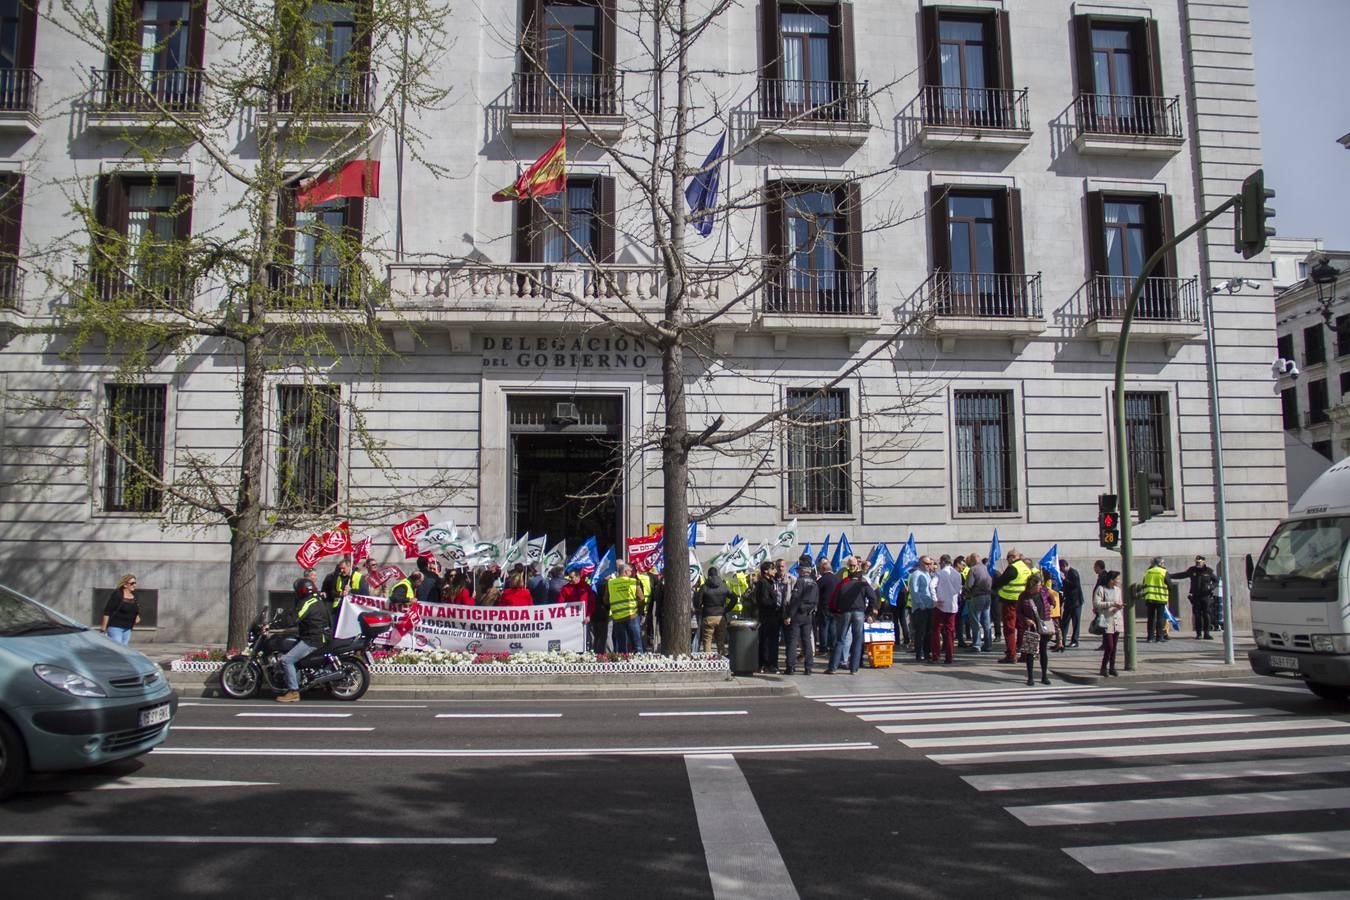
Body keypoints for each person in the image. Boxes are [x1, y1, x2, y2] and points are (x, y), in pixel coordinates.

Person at [271, 575, 334, 703]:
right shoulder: (316, 600)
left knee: (286, 661)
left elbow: (294, 618)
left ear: (301, 591)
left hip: (313, 638)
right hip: (318, 635)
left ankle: (293, 692)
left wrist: (274, 624)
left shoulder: (308, 603)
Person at [828, 562, 880, 674]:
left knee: (840, 639)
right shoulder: (863, 584)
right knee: (857, 640)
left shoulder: (843, 583)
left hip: (845, 612)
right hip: (859, 612)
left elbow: (835, 599)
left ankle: (833, 667)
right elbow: (873, 598)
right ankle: (854, 668)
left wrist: (837, 610)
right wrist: (868, 612)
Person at [993, 549, 1033, 663]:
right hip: (1023, 602)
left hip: (1010, 601)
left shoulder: (1013, 568)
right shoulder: (1026, 568)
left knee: (1009, 629)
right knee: (1022, 628)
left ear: (1012, 557)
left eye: (1008, 558)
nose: (1007, 560)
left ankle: (1011, 655)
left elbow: (1000, 582)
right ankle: (1023, 653)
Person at [783, 555, 819, 675]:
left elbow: (795, 600)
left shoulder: (800, 582)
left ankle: (791, 666)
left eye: (799, 570)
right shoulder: (814, 583)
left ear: (803, 571)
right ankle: (808, 668)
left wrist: (789, 615)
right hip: (808, 615)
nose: (797, 572)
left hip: (797, 614)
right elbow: (816, 600)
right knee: (807, 641)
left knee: (793, 642)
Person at [1169, 555, 1217, 639]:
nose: (1197, 563)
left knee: (1206, 615)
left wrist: (1212, 587)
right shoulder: (1192, 570)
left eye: (1199, 562)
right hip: (1196, 596)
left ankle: (1207, 633)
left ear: (1203, 562)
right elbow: (1182, 575)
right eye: (1196, 562)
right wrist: (1170, 576)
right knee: (1197, 615)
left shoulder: (1208, 571)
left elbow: (1216, 580)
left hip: (1206, 596)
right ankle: (1198, 634)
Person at [1017, 573, 1052, 686]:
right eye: (1038, 585)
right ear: (1031, 586)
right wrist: (1026, 619)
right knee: (1030, 652)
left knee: (1043, 651)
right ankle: (1030, 677)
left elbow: (1053, 601)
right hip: (1031, 627)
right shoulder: (1024, 596)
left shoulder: (1044, 592)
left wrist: (1050, 607)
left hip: (1044, 625)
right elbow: (1018, 612)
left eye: (1041, 585)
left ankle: (1044, 676)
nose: (1040, 587)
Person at [1093, 570, 1125, 677]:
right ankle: (1103, 667)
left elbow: (1119, 602)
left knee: (1114, 646)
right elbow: (1097, 603)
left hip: (1116, 619)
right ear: (1111, 580)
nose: (1118, 581)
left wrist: (1120, 606)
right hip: (1106, 620)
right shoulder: (1101, 589)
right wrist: (1111, 604)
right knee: (1109, 645)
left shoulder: (1117, 590)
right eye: (1117, 579)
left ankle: (1112, 667)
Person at [607, 563, 644, 653]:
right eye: (630, 571)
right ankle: (640, 664)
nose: (631, 573)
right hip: (632, 616)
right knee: (637, 645)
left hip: (618, 618)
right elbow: (641, 598)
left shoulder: (610, 583)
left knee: (621, 647)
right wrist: (641, 612)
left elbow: (606, 599)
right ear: (626, 572)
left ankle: (622, 663)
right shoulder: (633, 582)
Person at [695, 566, 732, 655]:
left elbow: (698, 603)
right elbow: (733, 598)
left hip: (708, 615)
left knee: (707, 640)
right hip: (720, 616)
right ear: (717, 574)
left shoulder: (704, 587)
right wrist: (726, 609)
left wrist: (700, 609)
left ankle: (708, 660)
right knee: (720, 640)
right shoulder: (724, 586)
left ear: (708, 575)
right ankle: (721, 659)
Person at [754, 561, 783, 673]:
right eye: (773, 568)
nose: (775, 571)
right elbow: (764, 601)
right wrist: (775, 603)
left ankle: (768, 663)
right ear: (766, 571)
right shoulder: (763, 583)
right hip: (767, 617)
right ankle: (767, 664)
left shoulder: (771, 582)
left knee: (771, 642)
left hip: (772, 617)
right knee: (767, 642)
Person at [560, 570, 600, 651]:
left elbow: (591, 603)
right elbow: (560, 604)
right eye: (569, 577)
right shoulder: (565, 588)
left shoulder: (586, 587)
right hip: (571, 620)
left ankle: (588, 652)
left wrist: (588, 616)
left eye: (572, 577)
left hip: (585, 619)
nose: (570, 579)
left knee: (587, 638)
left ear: (578, 577)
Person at [932, 554, 962, 664]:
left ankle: (936, 655)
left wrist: (935, 599)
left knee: (936, 630)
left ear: (943, 562)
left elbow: (931, 585)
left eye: (940, 562)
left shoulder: (939, 573)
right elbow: (959, 590)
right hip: (952, 605)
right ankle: (949, 656)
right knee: (950, 631)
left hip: (940, 605)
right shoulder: (957, 574)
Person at [908, 556, 937, 663]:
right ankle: (919, 654)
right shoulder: (916, 574)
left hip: (929, 606)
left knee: (929, 632)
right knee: (921, 632)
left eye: (930, 564)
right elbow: (914, 591)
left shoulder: (928, 575)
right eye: (926, 563)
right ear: (920, 563)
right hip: (921, 608)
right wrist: (920, 604)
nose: (929, 566)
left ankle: (927, 652)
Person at [100, 574, 141, 645]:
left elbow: (135, 610)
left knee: (124, 649)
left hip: (128, 628)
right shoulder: (117, 594)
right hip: (115, 627)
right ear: (125, 585)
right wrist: (103, 628)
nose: (134, 585)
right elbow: (107, 611)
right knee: (118, 649)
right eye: (132, 583)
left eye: (135, 583)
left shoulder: (134, 596)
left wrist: (137, 617)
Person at [964, 553, 993, 653]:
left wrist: (967, 591)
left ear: (972, 560)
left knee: (975, 621)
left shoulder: (973, 569)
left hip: (977, 597)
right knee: (986, 622)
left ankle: (976, 645)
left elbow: (969, 585)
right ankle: (988, 645)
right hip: (988, 596)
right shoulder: (986, 568)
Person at [1142, 556, 1171, 643]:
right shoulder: (1164, 572)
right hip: (1160, 598)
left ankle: (1150, 637)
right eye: (1163, 563)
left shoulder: (1147, 572)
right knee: (1160, 618)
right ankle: (1159, 637)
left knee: (1150, 618)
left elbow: (1144, 583)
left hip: (1149, 598)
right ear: (1160, 563)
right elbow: (1170, 585)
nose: (1164, 565)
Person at [815, 560, 839, 657]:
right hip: (835, 607)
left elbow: (816, 593)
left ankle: (823, 648)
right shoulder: (837, 579)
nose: (819, 570)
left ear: (823, 569)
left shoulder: (822, 580)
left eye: (820, 568)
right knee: (833, 627)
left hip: (824, 607)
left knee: (823, 628)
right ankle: (832, 646)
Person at [1059, 559, 1084, 648]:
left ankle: (1075, 640)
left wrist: (1065, 580)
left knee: (1075, 622)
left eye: (1061, 568)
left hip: (1075, 602)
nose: (1061, 571)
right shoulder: (1068, 573)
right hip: (1069, 601)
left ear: (1064, 566)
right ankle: (1062, 640)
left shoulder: (1073, 573)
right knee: (1064, 621)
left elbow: (1075, 586)